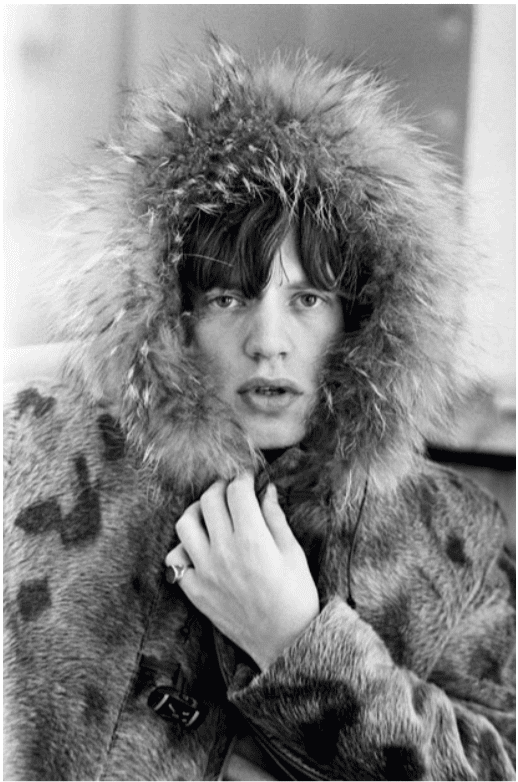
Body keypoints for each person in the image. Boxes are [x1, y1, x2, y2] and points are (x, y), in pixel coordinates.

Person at [3, 40, 515, 781]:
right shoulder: (32, 457)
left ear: (364, 320)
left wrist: (297, 644)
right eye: (228, 296)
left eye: (308, 300)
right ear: (171, 315)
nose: (268, 342)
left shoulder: (453, 537)